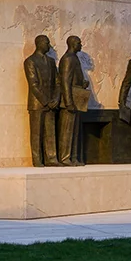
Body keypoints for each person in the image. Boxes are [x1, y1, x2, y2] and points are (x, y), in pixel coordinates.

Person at [22, 35, 60, 166]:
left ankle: (51, 158)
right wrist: (46, 101)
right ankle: (37, 159)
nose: (48, 46)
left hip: (51, 103)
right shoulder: (30, 61)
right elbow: (33, 85)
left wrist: (56, 98)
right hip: (37, 103)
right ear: (39, 44)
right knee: (36, 133)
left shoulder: (50, 62)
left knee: (51, 132)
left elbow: (57, 81)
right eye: (47, 43)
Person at [54, 35, 92, 166]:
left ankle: (73, 157)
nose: (81, 45)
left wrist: (82, 83)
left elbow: (73, 78)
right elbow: (65, 81)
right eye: (79, 43)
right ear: (72, 44)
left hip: (77, 99)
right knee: (67, 130)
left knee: (74, 131)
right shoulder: (68, 59)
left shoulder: (74, 58)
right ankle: (65, 158)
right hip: (70, 101)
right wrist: (68, 102)